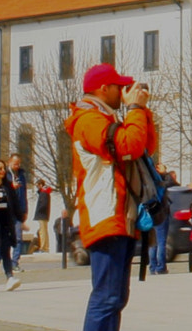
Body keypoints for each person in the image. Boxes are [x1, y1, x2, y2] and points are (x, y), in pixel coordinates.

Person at [65, 63, 155, 331]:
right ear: (104, 89)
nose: (123, 91)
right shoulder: (88, 121)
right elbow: (128, 145)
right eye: (119, 86)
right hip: (105, 216)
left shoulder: (106, 119)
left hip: (118, 216)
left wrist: (141, 112)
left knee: (115, 298)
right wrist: (135, 110)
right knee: (106, 297)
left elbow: (145, 147)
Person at [0, 160, 21, 288]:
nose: (2, 171)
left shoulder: (7, 187)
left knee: (5, 251)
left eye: (3, 169)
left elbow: (15, 204)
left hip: (5, 223)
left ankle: (10, 277)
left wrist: (20, 218)